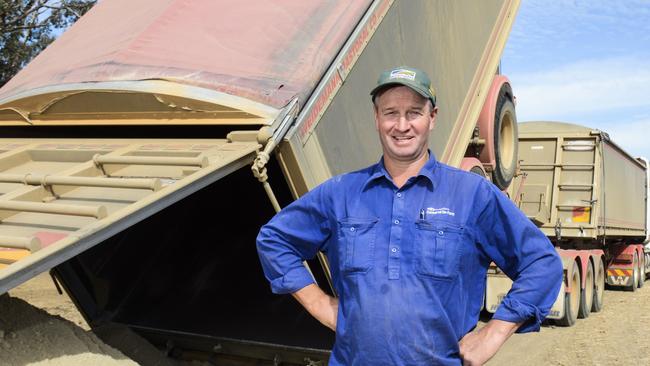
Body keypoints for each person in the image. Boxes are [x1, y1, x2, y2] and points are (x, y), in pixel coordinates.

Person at [256, 66, 563, 365]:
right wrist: (319, 304)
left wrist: (494, 333)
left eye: (414, 112)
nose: (401, 125)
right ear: (377, 119)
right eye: (390, 113)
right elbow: (274, 239)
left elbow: (541, 263)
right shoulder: (341, 193)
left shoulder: (471, 195)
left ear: (432, 118)